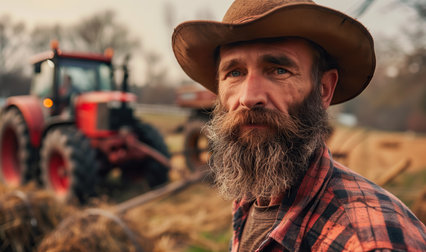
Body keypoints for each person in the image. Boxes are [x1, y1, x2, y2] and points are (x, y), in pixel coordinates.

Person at [172, 0, 426, 251]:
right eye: (235, 73)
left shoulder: (369, 242)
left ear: (324, 90)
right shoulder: (252, 192)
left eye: (279, 70)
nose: (248, 97)